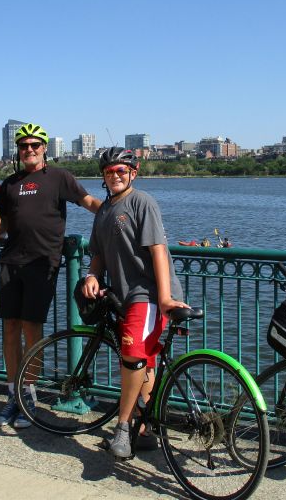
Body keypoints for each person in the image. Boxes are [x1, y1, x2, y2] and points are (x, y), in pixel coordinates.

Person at [0, 122, 101, 429]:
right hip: (11, 262)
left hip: (42, 263)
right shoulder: (10, 183)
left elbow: (89, 203)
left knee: (32, 330)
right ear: (18, 151)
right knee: (10, 329)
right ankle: (12, 395)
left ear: (45, 148)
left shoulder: (59, 177)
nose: (29, 149)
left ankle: (28, 397)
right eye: (24, 146)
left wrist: (122, 213)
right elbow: (1, 226)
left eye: (35, 145)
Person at [80, 147, 188, 458]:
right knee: (145, 360)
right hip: (123, 294)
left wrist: (166, 297)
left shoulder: (142, 202)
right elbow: (98, 254)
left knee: (131, 356)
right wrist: (91, 276)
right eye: (109, 171)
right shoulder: (103, 210)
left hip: (148, 293)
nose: (115, 176)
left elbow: (157, 251)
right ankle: (146, 427)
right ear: (103, 175)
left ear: (133, 173)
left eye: (121, 171)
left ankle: (123, 427)